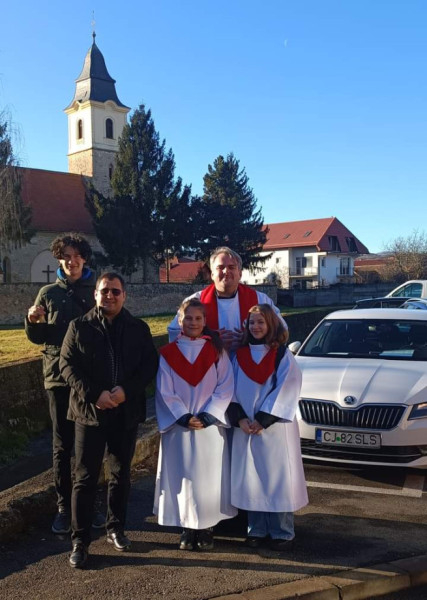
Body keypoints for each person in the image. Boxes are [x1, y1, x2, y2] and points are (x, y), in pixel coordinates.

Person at [59, 272, 158, 568]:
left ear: (124, 295)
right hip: (89, 413)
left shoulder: (138, 328)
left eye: (115, 291)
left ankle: (116, 528)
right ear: (96, 294)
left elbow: (149, 365)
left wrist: (127, 391)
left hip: (124, 413)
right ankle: (80, 540)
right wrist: (95, 394)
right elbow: (66, 365)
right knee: (85, 478)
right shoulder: (79, 326)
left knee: (120, 475)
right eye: (105, 291)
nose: (110, 296)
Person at [24, 233, 105, 534]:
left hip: (88, 379)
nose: (72, 261)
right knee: (62, 447)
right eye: (66, 257)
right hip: (58, 378)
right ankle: (63, 507)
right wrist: (32, 321)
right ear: (59, 259)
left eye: (77, 256)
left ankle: (90, 503)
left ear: (84, 258)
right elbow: (38, 338)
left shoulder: (97, 290)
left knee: (91, 445)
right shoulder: (47, 293)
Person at [154, 298, 237, 551]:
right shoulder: (169, 353)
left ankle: (207, 528)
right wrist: (182, 416)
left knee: (208, 478)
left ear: (205, 321)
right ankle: (187, 527)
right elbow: (164, 389)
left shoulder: (216, 350)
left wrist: (209, 415)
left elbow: (225, 385)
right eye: (188, 318)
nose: (193, 322)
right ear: (180, 320)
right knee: (184, 478)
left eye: (198, 318)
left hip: (208, 426)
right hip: (180, 426)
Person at [229, 304, 308, 550]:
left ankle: (282, 530)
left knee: (277, 478)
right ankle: (256, 529)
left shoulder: (282, 355)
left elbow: (288, 387)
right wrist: (240, 418)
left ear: (271, 324)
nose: (256, 327)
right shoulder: (239, 356)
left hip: (273, 429)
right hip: (246, 428)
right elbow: (228, 389)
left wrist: (263, 419)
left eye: (261, 322)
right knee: (252, 478)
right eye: (252, 322)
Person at [168, 247, 286, 353]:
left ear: (240, 273)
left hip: (250, 366)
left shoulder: (260, 300)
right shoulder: (195, 302)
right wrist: (211, 342)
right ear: (212, 274)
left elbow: (282, 331)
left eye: (231, 267)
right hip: (211, 366)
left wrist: (251, 338)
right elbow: (175, 335)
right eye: (220, 267)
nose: (226, 271)